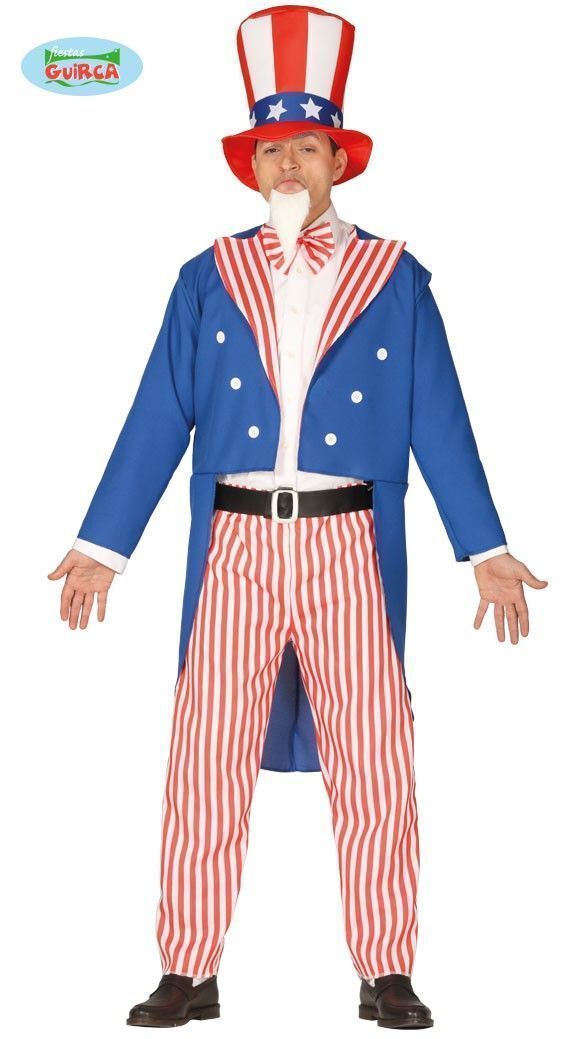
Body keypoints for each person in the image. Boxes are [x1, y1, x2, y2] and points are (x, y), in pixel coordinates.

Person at [48, 5, 547, 1030]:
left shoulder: (395, 278)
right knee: (205, 750)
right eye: (271, 147)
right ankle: (188, 967)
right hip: (233, 538)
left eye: (306, 147)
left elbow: (438, 415)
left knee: (374, 750)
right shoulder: (207, 275)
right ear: (251, 165)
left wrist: (484, 547)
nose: (288, 162)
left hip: (347, 537)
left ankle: (386, 967)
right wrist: (104, 544)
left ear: (337, 160)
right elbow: (159, 413)